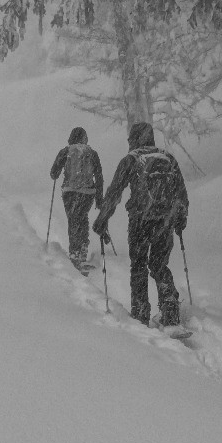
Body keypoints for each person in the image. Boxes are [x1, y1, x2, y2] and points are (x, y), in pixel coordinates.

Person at [92, 122, 188, 327]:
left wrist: (102, 220)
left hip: (140, 220)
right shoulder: (168, 158)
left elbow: (114, 193)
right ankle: (170, 312)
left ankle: (141, 313)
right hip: (165, 220)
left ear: (134, 139)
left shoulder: (131, 160)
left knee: (139, 265)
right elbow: (181, 193)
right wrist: (180, 220)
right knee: (159, 265)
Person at [50, 127, 104, 270]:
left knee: (73, 220)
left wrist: (58, 173)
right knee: (82, 217)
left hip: (70, 192)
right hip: (87, 193)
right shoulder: (92, 153)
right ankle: (83, 250)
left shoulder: (65, 151)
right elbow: (99, 176)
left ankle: (75, 253)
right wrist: (99, 198)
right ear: (85, 138)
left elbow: (53, 173)